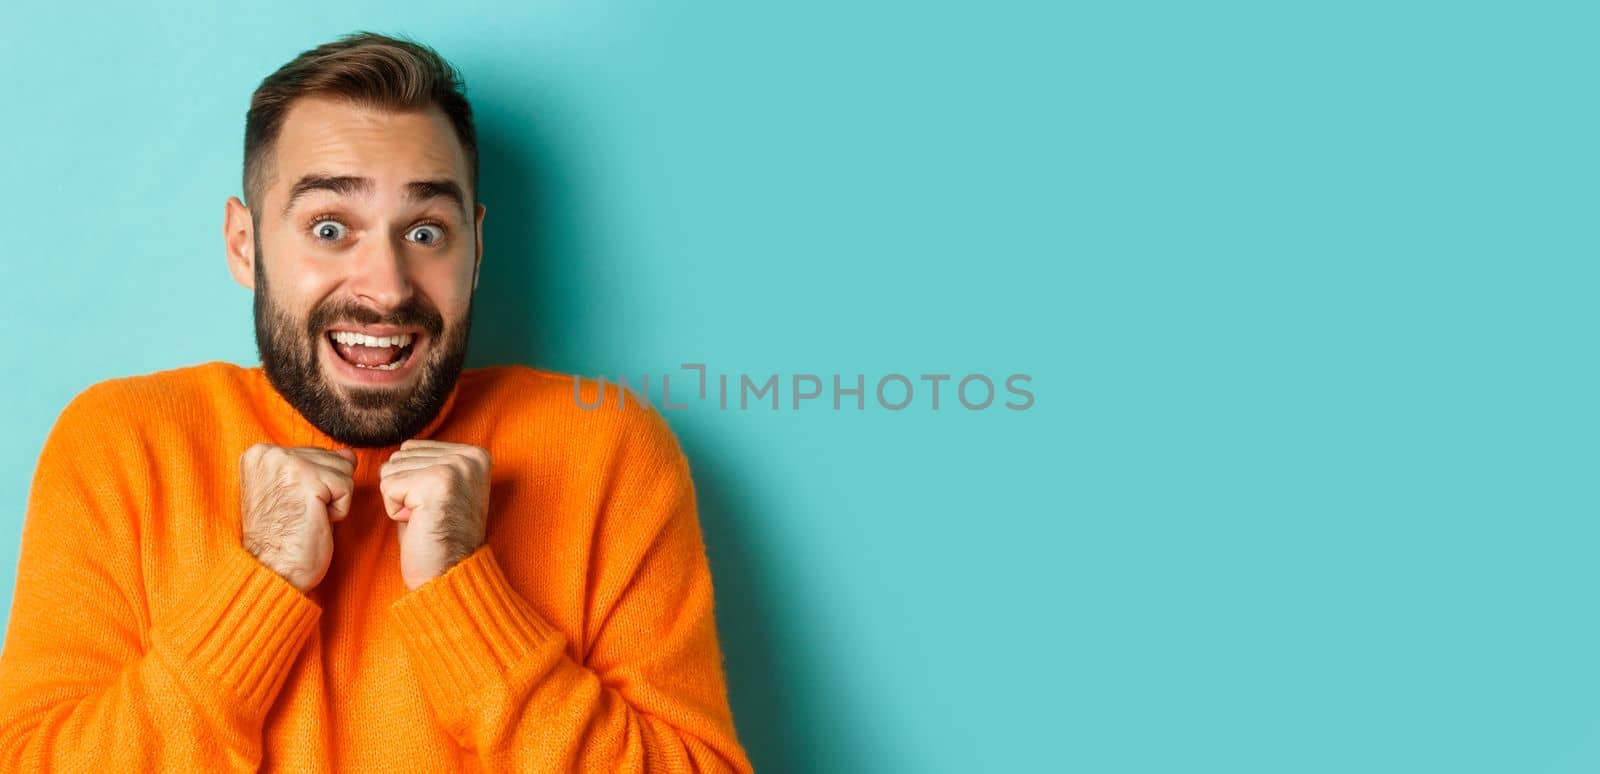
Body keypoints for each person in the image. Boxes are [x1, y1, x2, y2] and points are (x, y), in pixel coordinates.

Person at [0, 31, 751, 772]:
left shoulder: (606, 450)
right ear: (244, 244)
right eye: (330, 228)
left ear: (476, 250)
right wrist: (256, 583)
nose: (386, 287)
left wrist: (465, 596)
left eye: (426, 231)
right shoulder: (121, 445)